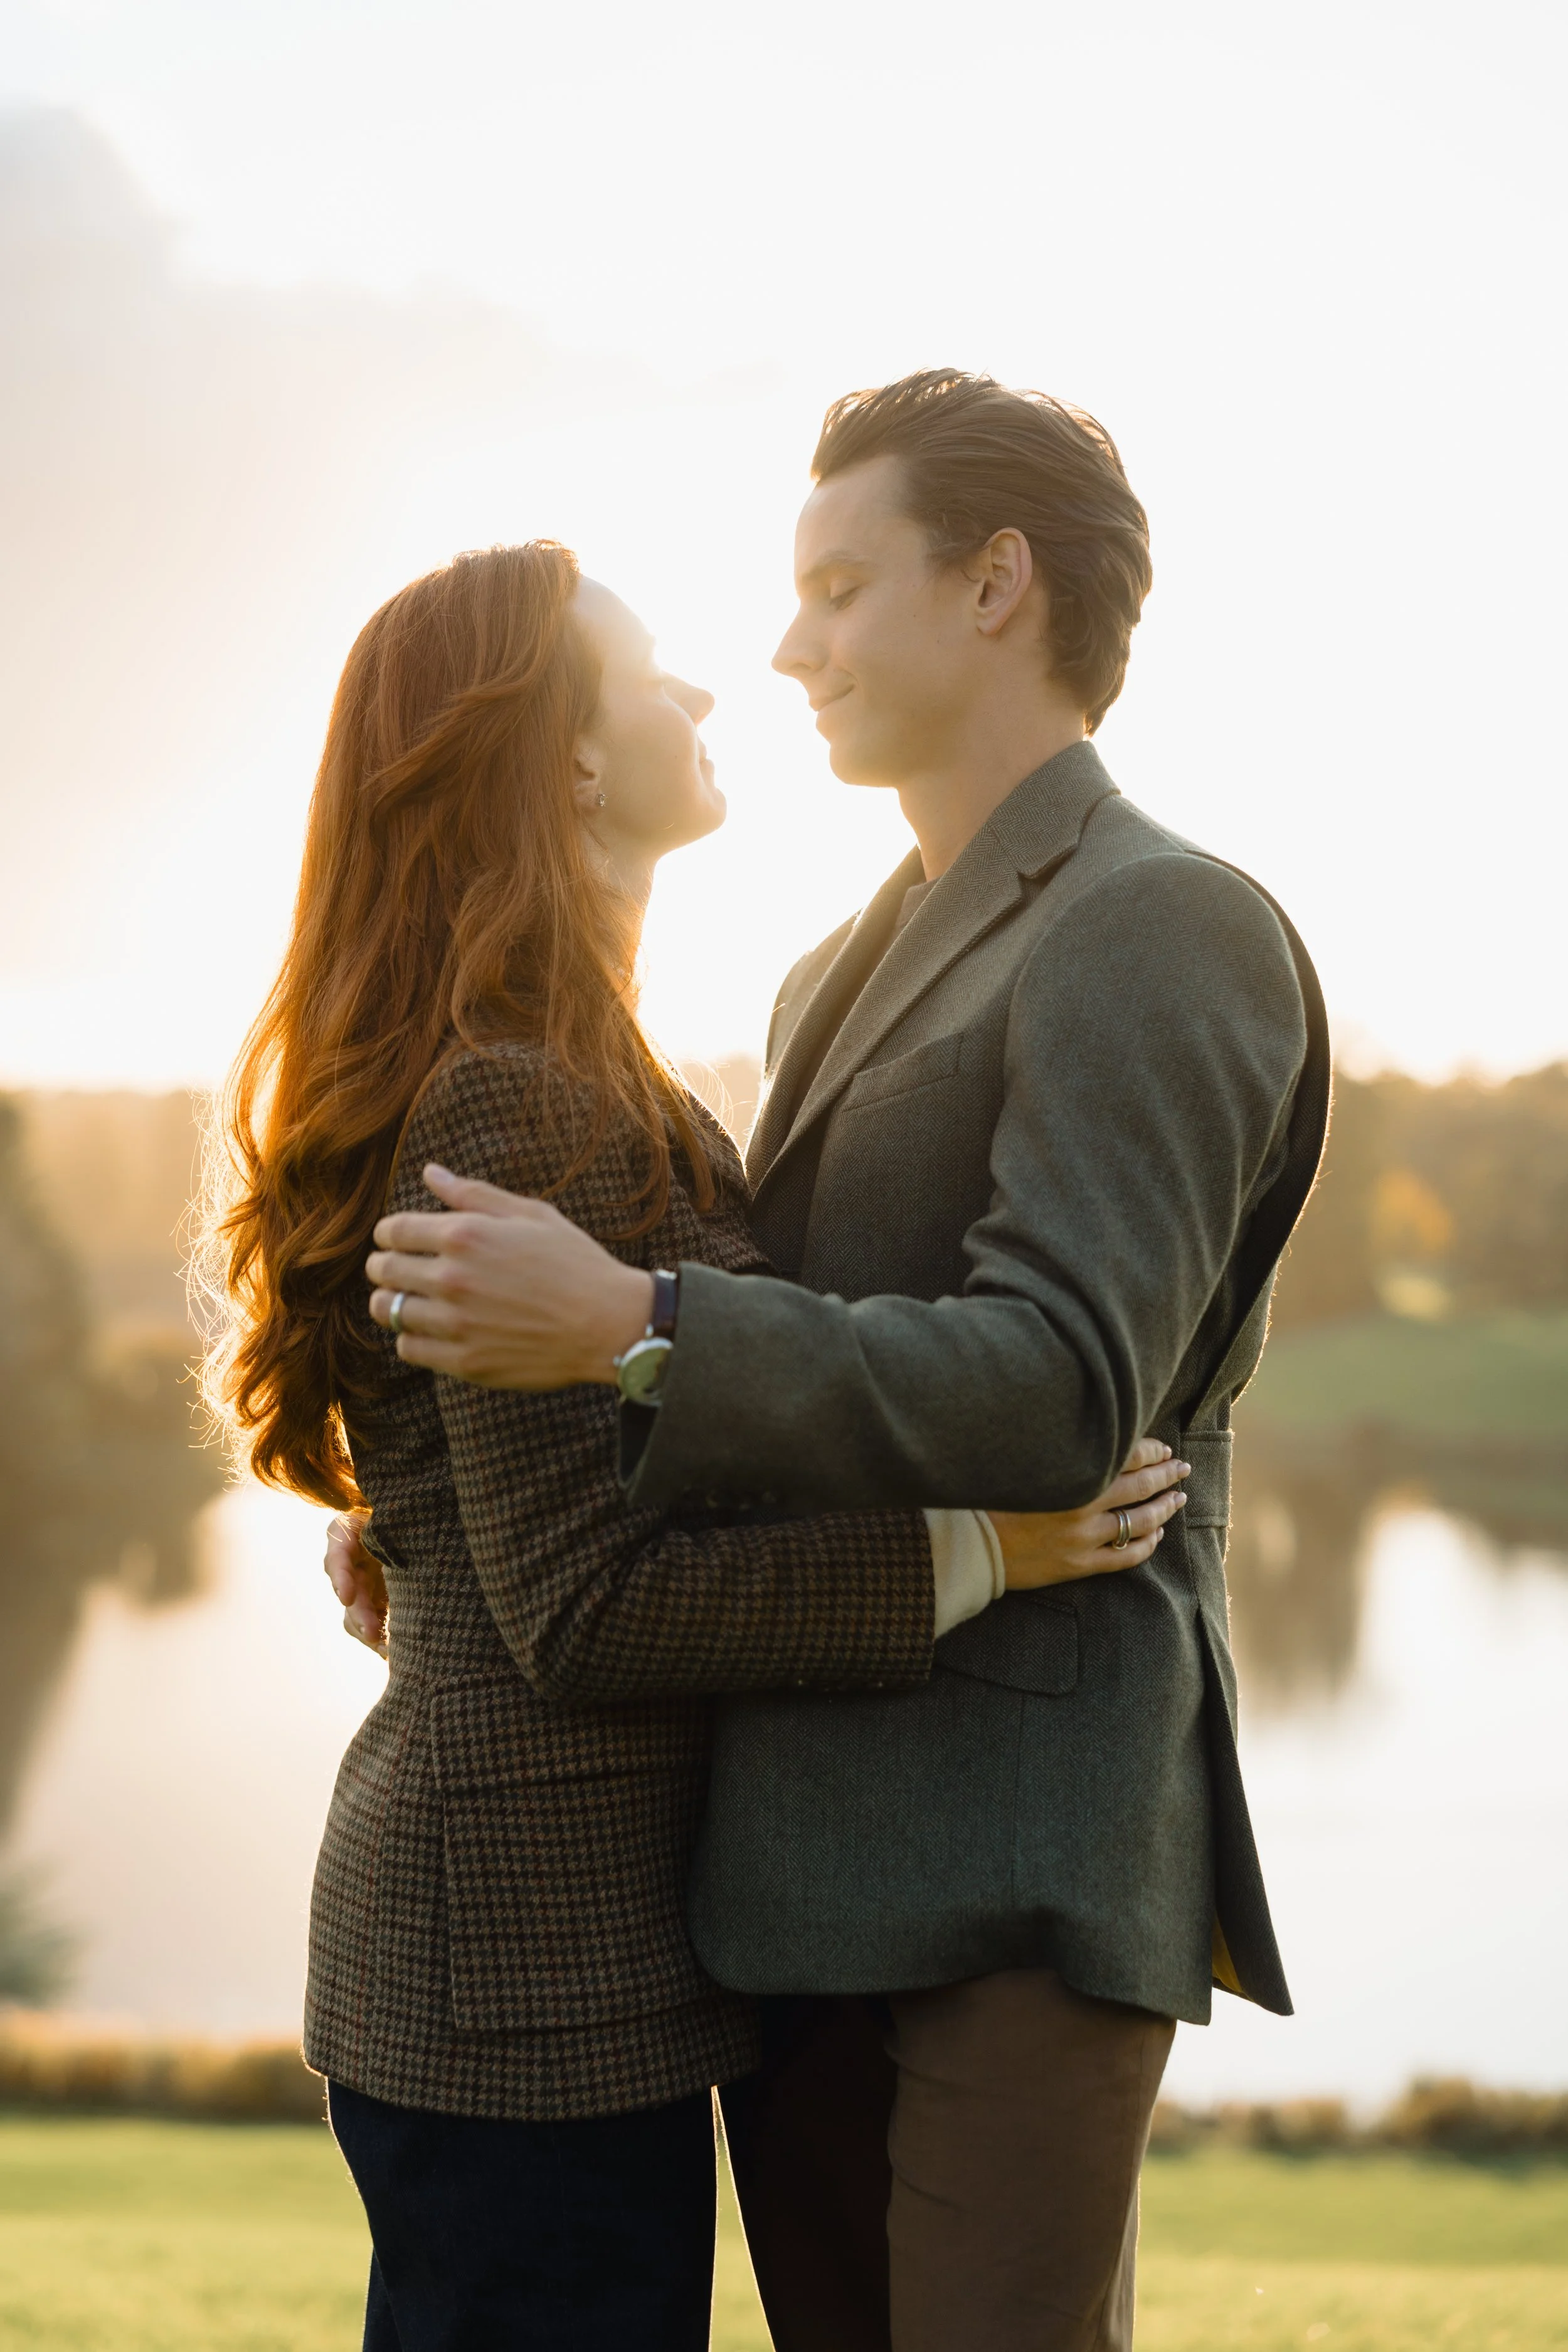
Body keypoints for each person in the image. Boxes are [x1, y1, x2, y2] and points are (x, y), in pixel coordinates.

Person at [354, 370, 1332, 2352]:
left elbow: (1066, 1387)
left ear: (993, 585)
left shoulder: (1163, 922)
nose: (786, 647)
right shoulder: (825, 971)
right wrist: (447, 1518)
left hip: (1013, 1849)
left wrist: (636, 1324)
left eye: (833, 586)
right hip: (785, 1874)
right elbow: (766, 1400)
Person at [204, 533, 1185, 2351]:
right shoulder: (516, 1084)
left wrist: (414, 1524)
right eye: (646, 670)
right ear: (564, 760)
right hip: (514, 1970)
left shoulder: (589, 1063)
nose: (707, 687)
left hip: (573, 1959)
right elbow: (589, 1610)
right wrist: (985, 1550)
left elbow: (574, 1469)